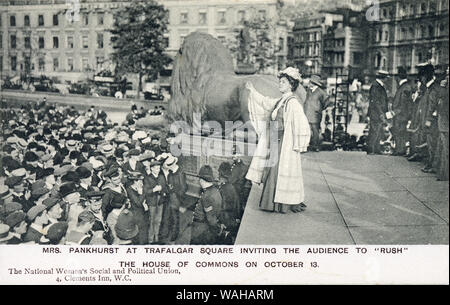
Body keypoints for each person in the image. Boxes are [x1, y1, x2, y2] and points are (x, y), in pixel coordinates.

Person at [245, 67, 311, 213]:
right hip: (275, 143)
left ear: (290, 85)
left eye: (283, 82)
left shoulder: (292, 103)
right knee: (271, 171)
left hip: (283, 145)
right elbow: (265, 102)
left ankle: (280, 204)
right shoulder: (281, 101)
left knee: (277, 172)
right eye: (280, 81)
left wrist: (300, 143)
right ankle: (272, 203)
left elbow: (302, 124)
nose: (280, 84)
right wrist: (253, 91)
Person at [191, 165, 224, 245]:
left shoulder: (207, 196)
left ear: (202, 180)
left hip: (201, 229)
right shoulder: (215, 190)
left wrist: (217, 230)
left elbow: (210, 219)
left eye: (199, 179)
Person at [390, 67, 414, 156]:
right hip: (401, 115)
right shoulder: (404, 87)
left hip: (401, 116)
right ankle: (399, 149)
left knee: (400, 132)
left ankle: (400, 150)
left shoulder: (405, 88)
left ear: (398, 77)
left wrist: (393, 113)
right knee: (399, 132)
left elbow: (403, 105)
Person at [304, 75, 331, 152]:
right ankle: (309, 144)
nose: (309, 83)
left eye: (310, 82)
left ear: (314, 83)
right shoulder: (309, 91)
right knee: (307, 130)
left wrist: (319, 109)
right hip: (307, 113)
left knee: (315, 130)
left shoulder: (321, 92)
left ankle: (316, 146)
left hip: (315, 114)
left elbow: (326, 101)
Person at [144, 160, 167, 244]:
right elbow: (146, 191)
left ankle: (156, 238)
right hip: (152, 202)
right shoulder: (148, 178)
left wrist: (163, 191)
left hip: (160, 201)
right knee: (152, 221)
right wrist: (154, 189)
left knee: (158, 220)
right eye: (156, 168)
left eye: (159, 168)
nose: (158, 170)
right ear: (152, 169)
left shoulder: (161, 177)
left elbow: (165, 187)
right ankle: (150, 240)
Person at [217, 162, 240, 244]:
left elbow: (222, 207)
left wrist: (220, 222)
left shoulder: (222, 189)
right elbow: (237, 204)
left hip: (225, 220)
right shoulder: (232, 187)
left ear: (220, 174)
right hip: (232, 218)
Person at [367, 70, 390, 154]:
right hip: (376, 113)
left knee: (378, 131)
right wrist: (381, 113)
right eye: (386, 78)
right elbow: (376, 102)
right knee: (374, 131)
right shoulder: (376, 86)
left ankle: (376, 149)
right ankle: (371, 149)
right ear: (383, 78)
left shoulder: (377, 85)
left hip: (377, 112)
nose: (387, 80)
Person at [125, 171, 149, 245]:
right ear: (135, 181)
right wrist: (141, 193)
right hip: (136, 215)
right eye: (140, 181)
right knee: (139, 234)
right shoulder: (130, 190)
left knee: (144, 232)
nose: (141, 182)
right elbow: (138, 203)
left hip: (143, 213)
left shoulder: (140, 188)